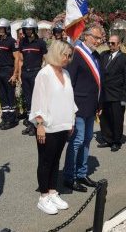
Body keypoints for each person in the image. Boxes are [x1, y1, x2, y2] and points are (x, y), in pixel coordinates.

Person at [30, 40, 77, 215]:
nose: (67, 58)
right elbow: (38, 101)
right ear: (56, 53)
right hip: (47, 126)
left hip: (63, 125)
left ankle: (52, 191)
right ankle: (43, 197)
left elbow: (69, 99)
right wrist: (39, 125)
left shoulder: (66, 73)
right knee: (45, 161)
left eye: (70, 55)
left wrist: (71, 121)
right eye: (65, 54)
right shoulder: (45, 74)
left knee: (56, 160)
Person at [63, 24, 103, 192]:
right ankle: (69, 176)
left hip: (91, 106)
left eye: (100, 38)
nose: (98, 41)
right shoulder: (76, 55)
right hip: (78, 107)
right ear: (86, 36)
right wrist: (69, 109)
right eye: (95, 37)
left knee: (86, 141)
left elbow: (99, 81)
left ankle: (81, 173)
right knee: (76, 142)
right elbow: (69, 83)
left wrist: (99, 104)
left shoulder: (95, 55)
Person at [98, 35, 126, 152]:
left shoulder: (125, 58)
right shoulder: (103, 55)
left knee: (116, 119)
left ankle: (116, 141)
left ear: (119, 44)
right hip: (104, 94)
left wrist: (125, 97)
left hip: (117, 94)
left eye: (113, 43)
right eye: (109, 43)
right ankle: (107, 139)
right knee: (105, 118)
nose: (110, 45)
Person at [17, 18, 47, 136]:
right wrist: (19, 74)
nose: (28, 31)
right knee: (28, 100)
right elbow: (20, 59)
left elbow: (45, 59)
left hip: (36, 73)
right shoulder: (22, 42)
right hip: (25, 74)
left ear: (34, 30)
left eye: (30, 29)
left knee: (37, 100)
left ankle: (37, 125)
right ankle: (30, 124)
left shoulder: (41, 43)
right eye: (26, 29)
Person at [0, 19, 20, 130]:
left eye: (2, 28)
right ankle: (5, 118)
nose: (0, 30)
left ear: (7, 29)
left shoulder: (12, 41)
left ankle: (12, 120)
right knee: (2, 96)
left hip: (8, 71)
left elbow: (17, 58)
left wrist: (15, 74)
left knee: (10, 96)